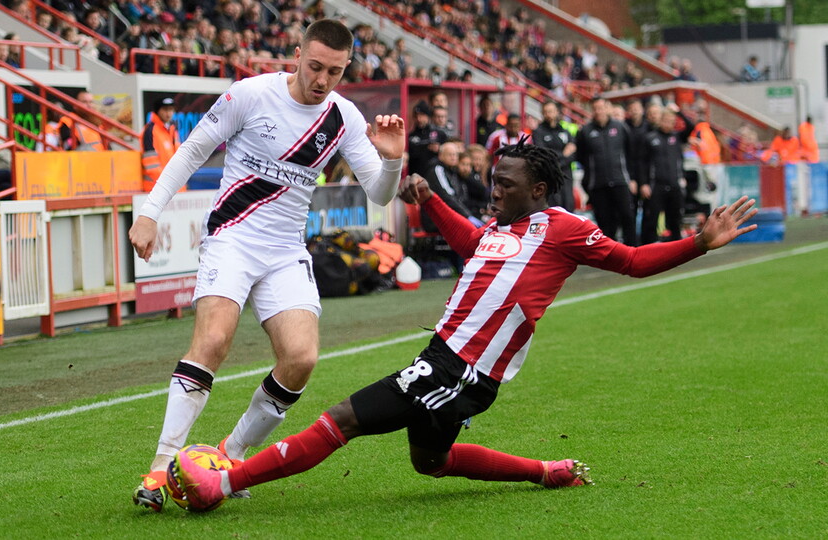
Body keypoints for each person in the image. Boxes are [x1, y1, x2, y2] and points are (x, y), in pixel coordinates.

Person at [168, 141, 759, 509]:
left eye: (506, 183)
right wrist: (429, 202)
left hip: (462, 367)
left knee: (342, 418)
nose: (493, 189)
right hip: (448, 359)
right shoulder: (500, 231)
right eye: (494, 178)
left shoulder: (563, 229)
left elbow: (629, 261)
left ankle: (225, 481)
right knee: (431, 463)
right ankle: (546, 472)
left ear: (540, 190)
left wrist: (697, 244)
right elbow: (472, 241)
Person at [127, 18, 406, 512]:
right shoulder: (250, 95)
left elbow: (380, 192)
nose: (321, 80)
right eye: (315, 66)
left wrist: (390, 161)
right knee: (213, 340)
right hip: (232, 238)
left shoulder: (342, 116)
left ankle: (228, 457)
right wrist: (149, 215)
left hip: (284, 251)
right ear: (297, 55)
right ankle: (159, 466)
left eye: (334, 72)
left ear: (345, 70)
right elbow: (193, 151)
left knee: (301, 359)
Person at [576, 97, 636, 246]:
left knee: (627, 216)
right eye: (595, 108)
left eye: (601, 108)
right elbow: (581, 157)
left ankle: (633, 250)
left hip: (620, 180)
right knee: (605, 221)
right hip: (598, 184)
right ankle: (610, 254)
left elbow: (630, 154)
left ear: (607, 108)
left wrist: (633, 178)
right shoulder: (585, 131)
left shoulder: (620, 127)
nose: (598, 111)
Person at [639, 103, 695, 244]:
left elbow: (691, 127)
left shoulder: (676, 137)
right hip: (656, 185)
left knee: (675, 219)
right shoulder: (650, 138)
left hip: (674, 184)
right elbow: (642, 163)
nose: (668, 124)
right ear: (660, 121)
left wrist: (678, 112)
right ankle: (648, 248)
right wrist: (644, 183)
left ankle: (676, 247)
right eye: (665, 120)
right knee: (651, 219)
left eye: (671, 121)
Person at [420, 141, 485, 231]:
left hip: (449, 215)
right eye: (449, 155)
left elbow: (461, 198)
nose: (453, 157)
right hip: (435, 218)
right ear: (441, 156)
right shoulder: (438, 169)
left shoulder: (453, 171)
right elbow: (447, 197)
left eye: (455, 155)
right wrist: (467, 216)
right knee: (470, 228)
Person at [531, 101, 576, 211]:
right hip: (550, 177)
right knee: (553, 209)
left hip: (566, 176)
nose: (549, 114)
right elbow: (543, 154)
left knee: (569, 207)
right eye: (546, 112)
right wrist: (564, 154)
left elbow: (573, 153)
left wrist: (558, 158)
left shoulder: (565, 131)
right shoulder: (538, 132)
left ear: (557, 112)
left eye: (551, 111)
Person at [141, 96, 181, 191]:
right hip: (156, 187)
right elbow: (151, 164)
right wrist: (164, 184)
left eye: (171, 110)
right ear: (158, 111)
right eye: (165, 110)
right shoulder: (150, 130)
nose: (168, 113)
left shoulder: (172, 130)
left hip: (172, 185)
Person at [407, 100, 446, 179]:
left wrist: (440, 149)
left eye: (422, 115)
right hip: (416, 176)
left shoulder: (439, 134)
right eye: (416, 116)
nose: (419, 119)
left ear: (428, 116)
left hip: (436, 177)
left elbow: (448, 151)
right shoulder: (410, 136)